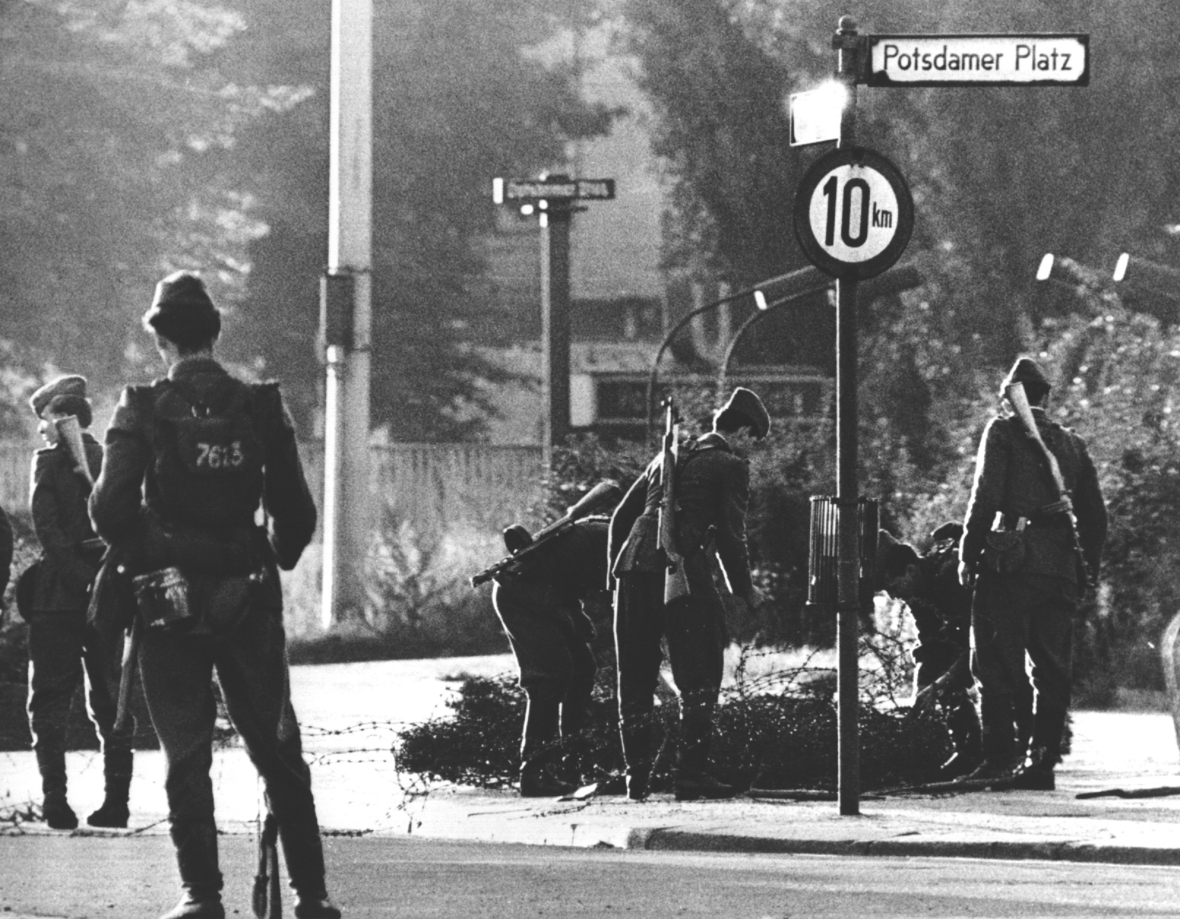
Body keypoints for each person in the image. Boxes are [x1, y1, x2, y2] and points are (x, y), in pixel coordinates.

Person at [89, 271, 339, 919]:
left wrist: (162, 547)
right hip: (249, 595)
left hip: (169, 603)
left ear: (160, 339)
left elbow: (111, 511)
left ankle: (201, 895)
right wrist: (264, 557)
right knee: (276, 745)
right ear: (214, 333)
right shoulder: (259, 405)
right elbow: (298, 515)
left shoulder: (141, 406)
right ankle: (311, 895)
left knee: (186, 751)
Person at [609, 386, 768, 802]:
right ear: (744, 432)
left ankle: (636, 779)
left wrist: (614, 582)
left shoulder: (665, 459)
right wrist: (745, 591)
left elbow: (620, 519)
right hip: (684, 571)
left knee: (635, 677)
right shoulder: (728, 465)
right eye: (754, 442)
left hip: (632, 572)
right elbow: (733, 537)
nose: (752, 452)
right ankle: (690, 775)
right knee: (701, 675)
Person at [957, 357, 1107, 790]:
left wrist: (969, 552)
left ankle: (1000, 758)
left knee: (995, 661)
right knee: (1053, 670)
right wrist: (1087, 571)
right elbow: (1096, 518)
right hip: (1061, 568)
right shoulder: (1073, 444)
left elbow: (984, 497)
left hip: (1010, 565)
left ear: (1011, 396)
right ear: (1046, 397)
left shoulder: (1003, 431)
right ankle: (1041, 764)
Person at [24, 374, 133, 830]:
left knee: (49, 701)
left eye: (46, 420)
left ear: (59, 416)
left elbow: (47, 530)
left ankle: (56, 804)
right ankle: (116, 804)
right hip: (104, 596)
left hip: (59, 600)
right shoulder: (108, 459)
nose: (42, 430)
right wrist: (99, 583)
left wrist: (80, 580)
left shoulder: (47, 463)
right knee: (111, 699)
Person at [877, 522, 1034, 780]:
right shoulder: (916, 592)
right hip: (980, 633)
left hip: (1006, 618)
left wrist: (940, 684)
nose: (894, 597)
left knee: (1000, 677)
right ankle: (969, 751)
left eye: (893, 587)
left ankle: (1021, 753)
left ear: (909, 570)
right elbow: (931, 645)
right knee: (940, 676)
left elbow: (980, 645)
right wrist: (923, 687)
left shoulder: (952, 576)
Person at [491, 515, 608, 797]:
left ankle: (574, 766)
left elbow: (567, 575)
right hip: (520, 593)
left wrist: (576, 615)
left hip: (545, 593)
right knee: (551, 676)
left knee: (582, 670)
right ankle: (534, 773)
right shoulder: (619, 538)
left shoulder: (612, 532)